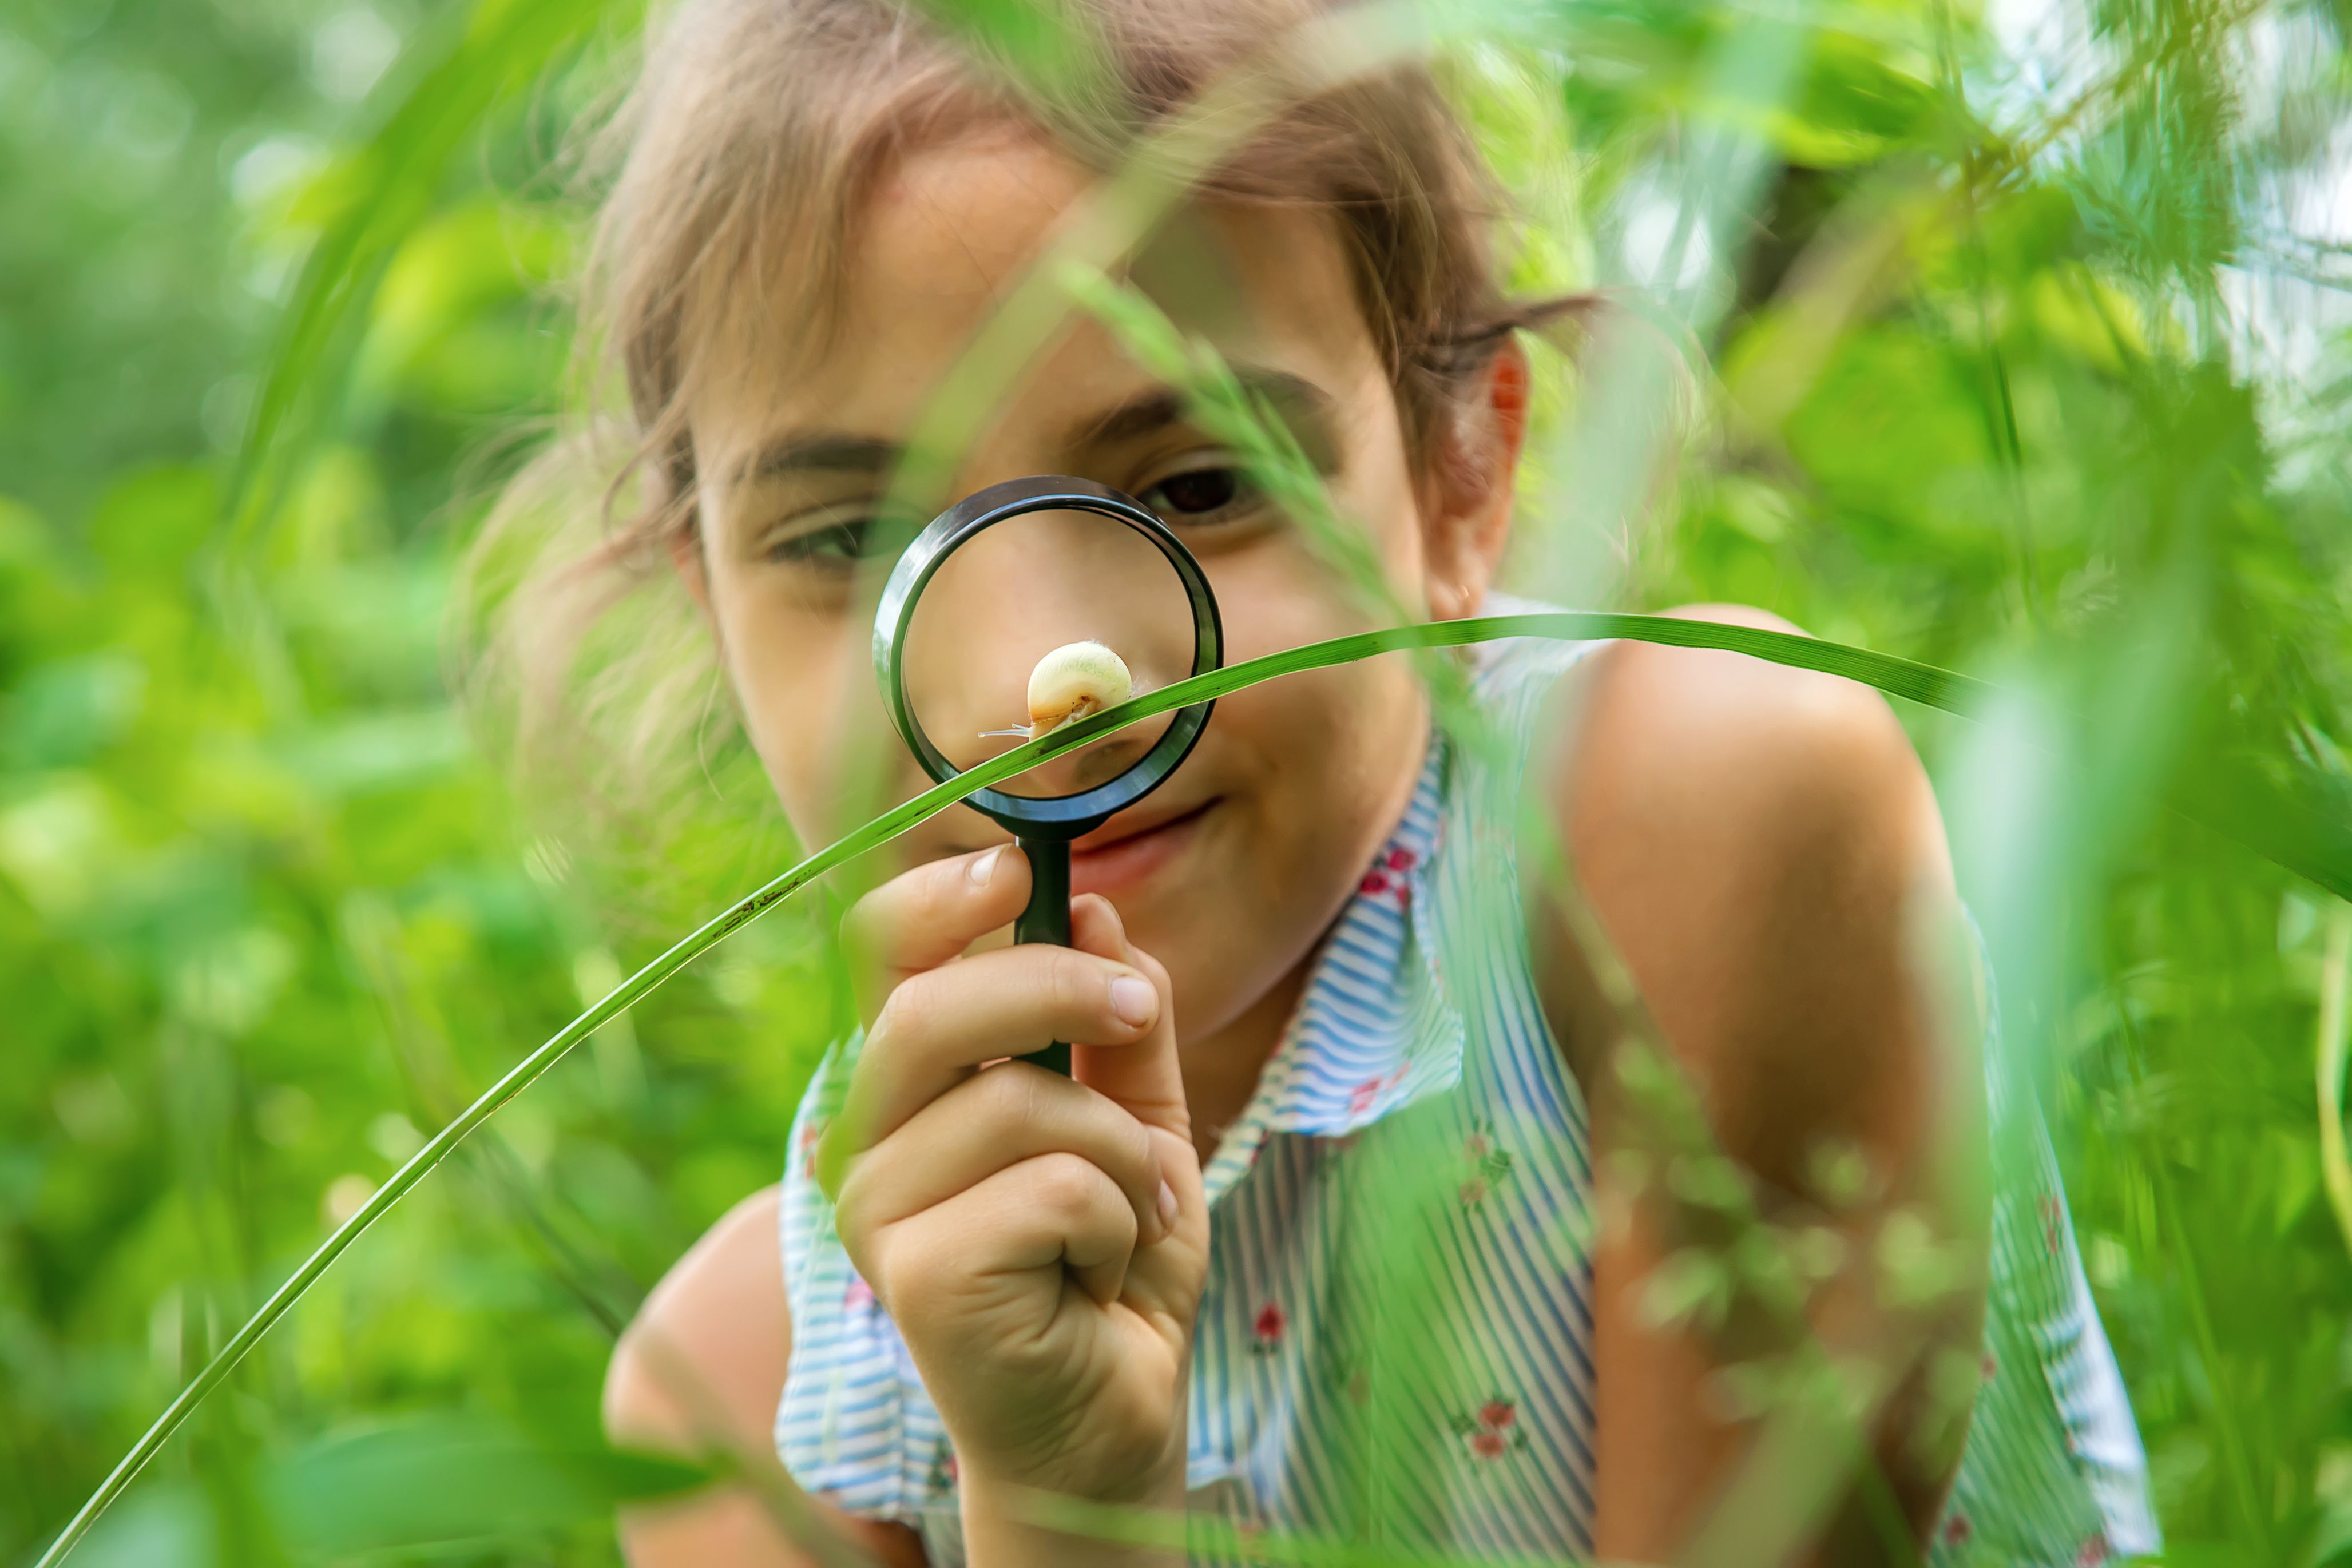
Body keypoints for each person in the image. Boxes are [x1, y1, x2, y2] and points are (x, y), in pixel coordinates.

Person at [483, 0, 2161, 1561]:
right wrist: (1060, 1503)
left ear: (1463, 482)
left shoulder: (1693, 822)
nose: (1041, 697)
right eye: (852, 537)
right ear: (712, 601)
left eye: (1203, 479)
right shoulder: (745, 1405)